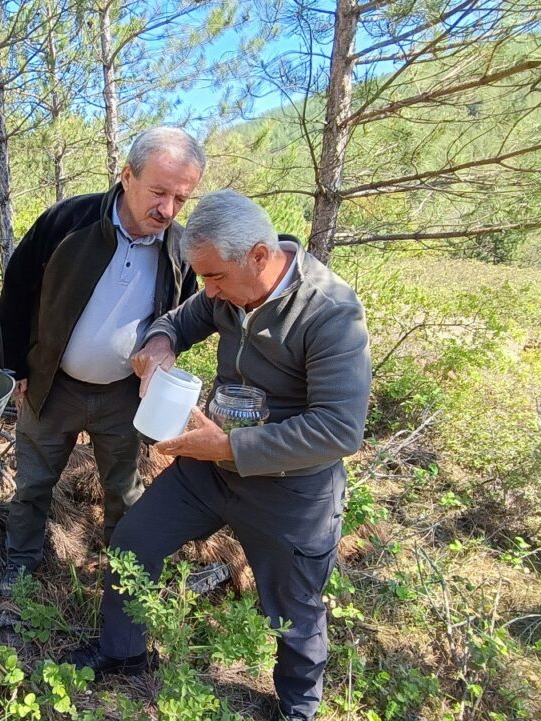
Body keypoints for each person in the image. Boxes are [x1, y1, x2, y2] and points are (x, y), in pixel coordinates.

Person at [65, 190, 371, 721]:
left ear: (258, 255)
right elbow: (180, 320)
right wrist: (160, 343)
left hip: (290, 488)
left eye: (215, 278)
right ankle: (124, 653)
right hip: (210, 468)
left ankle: (298, 708)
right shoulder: (225, 286)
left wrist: (230, 446)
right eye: (201, 277)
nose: (208, 291)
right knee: (134, 539)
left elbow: (339, 429)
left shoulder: (329, 312)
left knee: (294, 609)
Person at [0, 127, 206, 596]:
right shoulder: (67, 221)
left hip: (123, 396)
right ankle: (21, 563)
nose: (167, 209)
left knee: (124, 491)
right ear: (127, 176)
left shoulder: (180, 248)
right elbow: (17, 289)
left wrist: (165, 352)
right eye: (158, 192)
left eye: (180, 198)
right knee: (32, 485)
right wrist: (15, 367)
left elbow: (185, 315)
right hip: (53, 386)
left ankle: (122, 573)